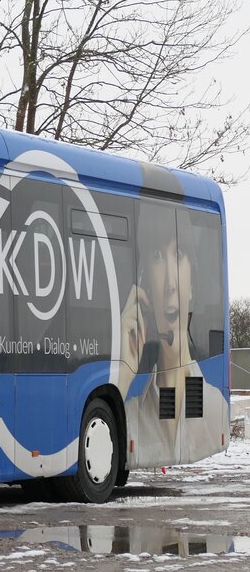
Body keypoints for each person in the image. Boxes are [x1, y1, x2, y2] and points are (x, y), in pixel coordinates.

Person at [117, 173, 224, 464]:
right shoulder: (128, 417)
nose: (170, 285)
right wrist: (122, 376)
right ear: (145, 285)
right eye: (156, 256)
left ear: (192, 283)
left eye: (178, 254)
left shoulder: (216, 410)